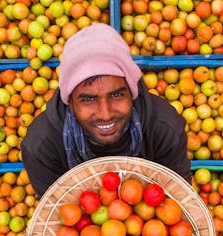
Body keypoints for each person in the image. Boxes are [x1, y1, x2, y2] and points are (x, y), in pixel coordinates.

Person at [21, 23, 192, 198]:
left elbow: (179, 203)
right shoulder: (42, 146)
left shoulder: (165, 128)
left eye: (117, 95)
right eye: (88, 99)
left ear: (131, 91)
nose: (106, 114)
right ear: (69, 101)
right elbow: (56, 213)